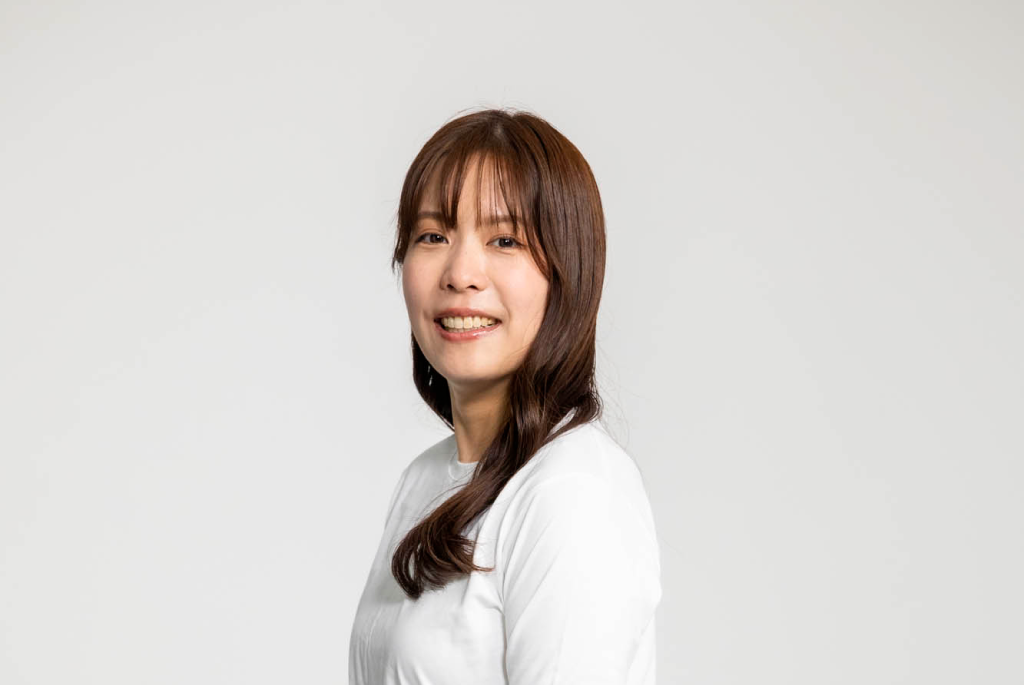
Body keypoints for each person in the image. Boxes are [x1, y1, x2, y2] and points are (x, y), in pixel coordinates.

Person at [348, 108, 662, 684]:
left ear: (568, 274)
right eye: (433, 235)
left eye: (505, 239)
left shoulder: (572, 490)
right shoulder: (425, 478)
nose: (461, 273)